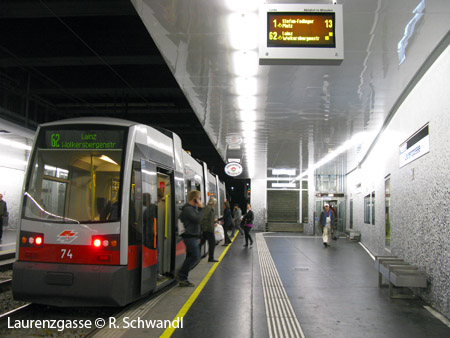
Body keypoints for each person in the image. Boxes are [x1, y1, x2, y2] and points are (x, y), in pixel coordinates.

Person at [177, 190, 203, 287]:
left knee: (190, 257)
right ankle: (181, 274)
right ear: (195, 198)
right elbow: (198, 219)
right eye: (199, 198)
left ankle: (183, 278)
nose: (200, 200)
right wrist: (200, 209)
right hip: (189, 236)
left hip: (192, 236)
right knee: (196, 257)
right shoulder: (188, 209)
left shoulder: (191, 208)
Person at [200, 197, 219, 262]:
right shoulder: (208, 208)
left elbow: (208, 218)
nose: (215, 204)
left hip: (208, 228)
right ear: (213, 202)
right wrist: (204, 228)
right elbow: (204, 218)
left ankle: (195, 255)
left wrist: (213, 222)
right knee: (212, 243)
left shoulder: (209, 208)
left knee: (201, 242)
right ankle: (210, 258)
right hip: (208, 229)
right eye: (215, 202)